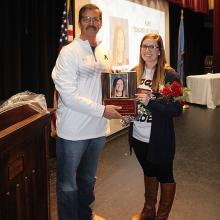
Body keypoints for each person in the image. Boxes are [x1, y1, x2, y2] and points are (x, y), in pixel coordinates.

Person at [52, 4, 122, 220]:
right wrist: (103, 110)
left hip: (97, 131)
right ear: (80, 22)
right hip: (73, 133)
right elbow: (69, 96)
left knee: (88, 180)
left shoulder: (104, 51)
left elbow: (106, 86)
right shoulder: (68, 52)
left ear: (100, 22)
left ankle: (85, 215)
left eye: (96, 19)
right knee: (67, 185)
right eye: (87, 19)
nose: (91, 23)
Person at [130, 33, 183, 220]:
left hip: (160, 138)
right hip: (138, 137)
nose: (148, 50)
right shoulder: (135, 71)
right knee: (148, 171)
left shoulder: (170, 74)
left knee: (165, 175)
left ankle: (161, 217)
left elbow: (177, 109)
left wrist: (150, 102)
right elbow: (129, 103)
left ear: (160, 51)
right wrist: (125, 113)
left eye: (153, 47)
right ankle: (148, 210)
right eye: (145, 46)